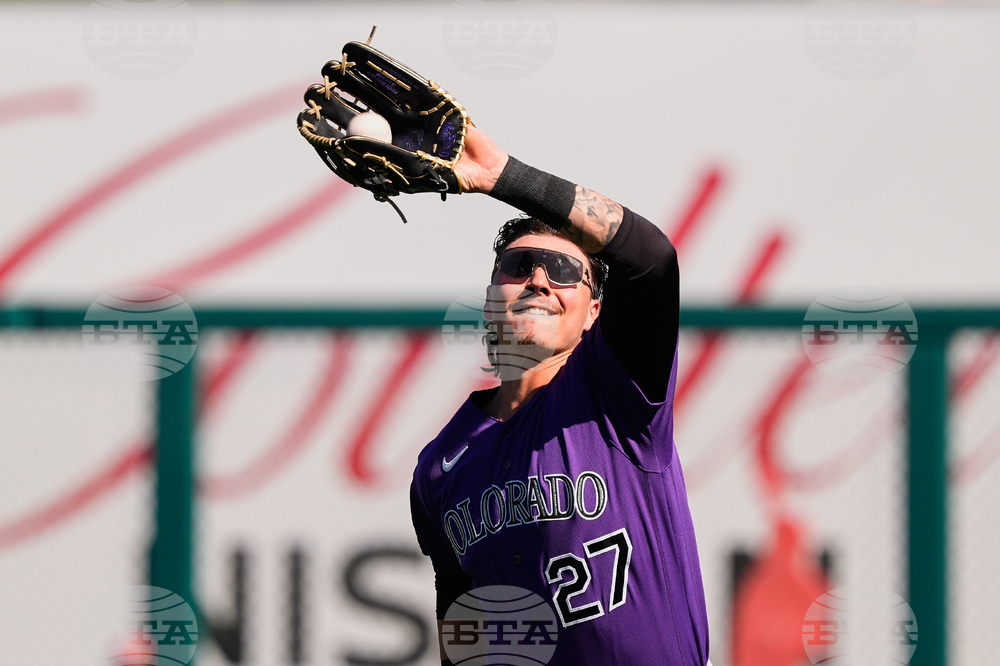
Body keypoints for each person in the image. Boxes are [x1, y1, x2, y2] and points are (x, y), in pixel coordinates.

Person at [409, 125, 710, 665]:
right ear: (489, 298)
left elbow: (652, 261)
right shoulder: (439, 469)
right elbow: (465, 626)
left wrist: (504, 175)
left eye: (567, 270)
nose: (540, 280)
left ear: (594, 311)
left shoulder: (614, 394)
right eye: (521, 266)